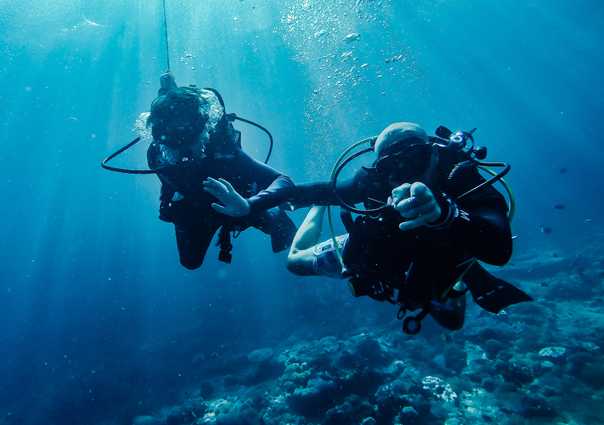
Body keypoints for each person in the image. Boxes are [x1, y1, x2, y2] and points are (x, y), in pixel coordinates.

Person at [204, 122, 531, 332]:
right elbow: (301, 190)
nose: (403, 172)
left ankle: (462, 278)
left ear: (433, 153)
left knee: (452, 321)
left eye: (413, 158)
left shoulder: (458, 174)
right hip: (385, 253)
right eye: (391, 165)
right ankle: (323, 207)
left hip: (446, 253)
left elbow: (499, 249)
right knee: (295, 262)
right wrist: (251, 206)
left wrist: (444, 213)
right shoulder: (372, 180)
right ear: (379, 166)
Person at [146, 73, 297, 269]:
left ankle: (272, 211)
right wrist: (169, 94)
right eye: (172, 143)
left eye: (188, 140)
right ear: (158, 136)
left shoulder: (222, 152)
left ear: (203, 131)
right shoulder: (157, 155)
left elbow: (283, 180)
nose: (182, 152)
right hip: (194, 208)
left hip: (237, 201)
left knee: (287, 235)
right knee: (190, 262)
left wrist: (249, 205)